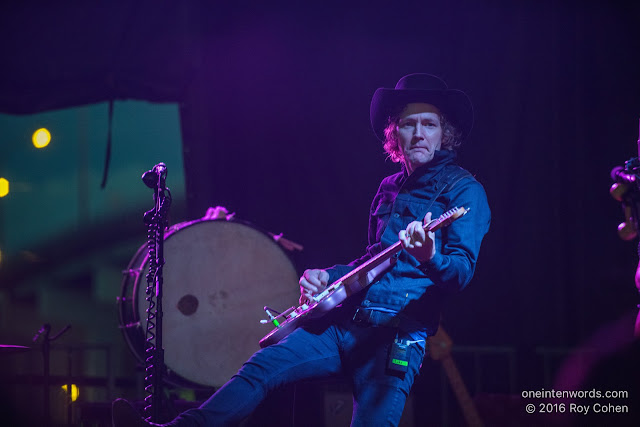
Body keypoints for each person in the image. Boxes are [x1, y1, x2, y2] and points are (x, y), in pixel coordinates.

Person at [112, 73, 491, 427]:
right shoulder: (389, 187)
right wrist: (328, 275)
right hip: (347, 321)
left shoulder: (464, 191)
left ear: (445, 134)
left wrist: (429, 256)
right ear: (396, 134)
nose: (420, 134)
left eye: (430, 124)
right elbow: (374, 259)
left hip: (396, 337)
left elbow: (460, 273)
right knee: (262, 367)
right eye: (409, 124)